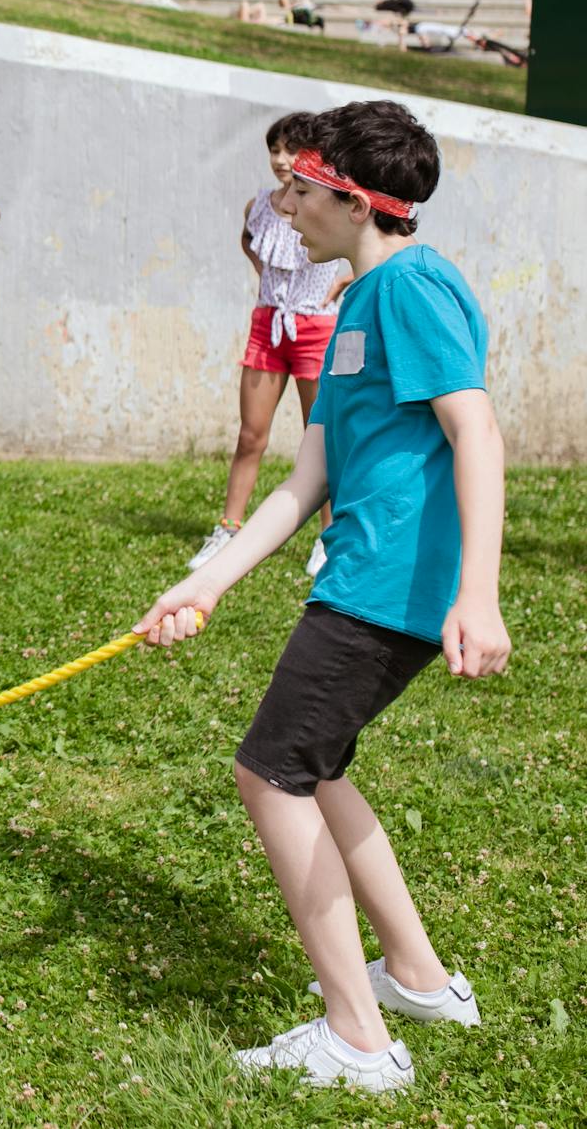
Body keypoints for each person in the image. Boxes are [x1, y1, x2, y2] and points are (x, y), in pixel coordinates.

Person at [136, 100, 509, 1093]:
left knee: (270, 773)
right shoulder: (350, 307)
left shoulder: (412, 287)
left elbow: (473, 431)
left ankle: (356, 1036)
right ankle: (418, 980)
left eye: (298, 189)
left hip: (388, 590)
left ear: (351, 200)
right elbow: (308, 476)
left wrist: (478, 593)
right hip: (359, 575)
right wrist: (204, 581)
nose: (283, 204)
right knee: (317, 766)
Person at [190, 113, 350, 576]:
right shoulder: (258, 205)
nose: (282, 160)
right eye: (275, 150)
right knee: (250, 434)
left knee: (320, 438)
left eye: (292, 150)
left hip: (316, 330)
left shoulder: (325, 205)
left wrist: (341, 281)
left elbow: (363, 245)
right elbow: (250, 241)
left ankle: (328, 538)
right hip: (268, 325)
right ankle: (228, 528)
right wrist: (267, 281)